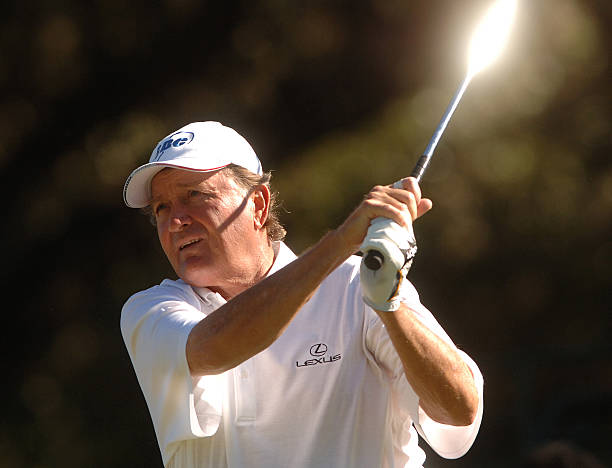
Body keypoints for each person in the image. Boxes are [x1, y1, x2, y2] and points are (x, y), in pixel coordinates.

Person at [121, 121, 484, 468]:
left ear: (259, 205)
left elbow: (458, 410)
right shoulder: (150, 312)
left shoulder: (358, 285)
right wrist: (341, 243)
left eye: (194, 195)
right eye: (161, 207)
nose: (175, 220)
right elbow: (214, 347)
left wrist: (388, 305)